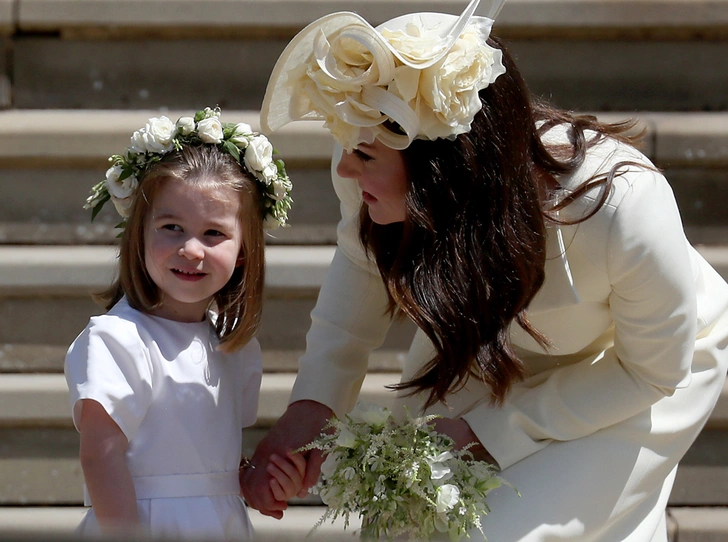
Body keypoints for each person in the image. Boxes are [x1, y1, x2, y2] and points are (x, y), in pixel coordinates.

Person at [245, 0, 728, 540]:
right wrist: (311, 409)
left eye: (362, 153)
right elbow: (358, 278)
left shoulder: (622, 206)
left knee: (495, 533)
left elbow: (652, 372)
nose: (343, 168)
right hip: (489, 336)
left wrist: (488, 431)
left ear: (442, 166)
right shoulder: (373, 170)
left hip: (631, 372)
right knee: (405, 524)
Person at [64, 107, 302, 540]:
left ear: (244, 250)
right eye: (172, 227)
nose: (191, 249)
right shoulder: (118, 340)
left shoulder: (233, 347)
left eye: (213, 234)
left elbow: (208, 462)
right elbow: (101, 457)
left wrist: (251, 482)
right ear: (140, 235)